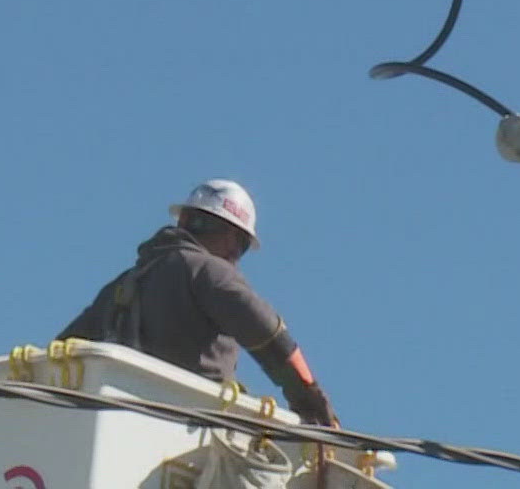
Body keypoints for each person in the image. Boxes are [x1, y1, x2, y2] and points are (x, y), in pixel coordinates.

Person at [58, 179, 337, 426]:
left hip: (124, 421)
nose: (234, 255)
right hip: (191, 428)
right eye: (239, 245)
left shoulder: (122, 286)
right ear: (231, 238)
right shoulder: (209, 271)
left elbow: (60, 353)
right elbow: (270, 338)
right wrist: (311, 400)